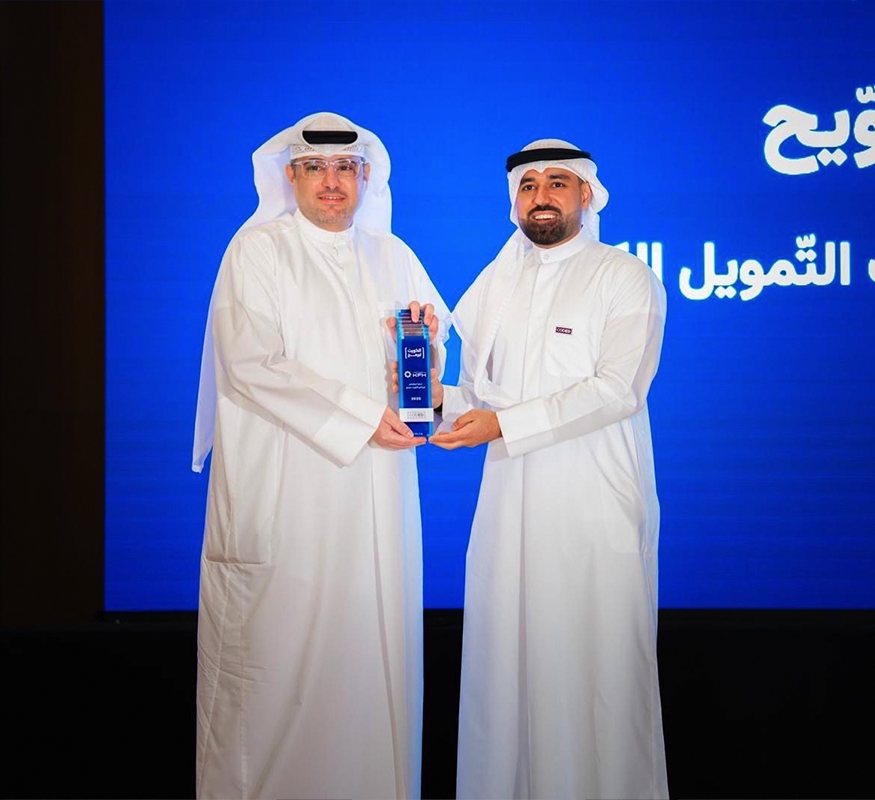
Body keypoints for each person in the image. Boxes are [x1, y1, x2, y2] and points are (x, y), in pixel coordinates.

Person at [191, 112, 448, 800]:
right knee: (275, 676)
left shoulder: (393, 256)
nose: (332, 182)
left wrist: (422, 364)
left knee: (371, 663)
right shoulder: (257, 251)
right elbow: (251, 364)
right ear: (291, 176)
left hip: (378, 497)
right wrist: (362, 418)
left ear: (365, 177)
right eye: (316, 169)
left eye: (345, 169)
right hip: (287, 498)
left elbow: (429, 360)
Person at [430, 140, 669, 799]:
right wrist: (429, 396)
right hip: (508, 507)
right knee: (505, 673)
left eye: (557, 183)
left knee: (597, 675)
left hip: (592, 505)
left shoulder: (624, 276)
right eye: (528, 185)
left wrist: (503, 425)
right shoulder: (495, 284)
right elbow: (479, 396)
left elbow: (618, 390)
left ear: (586, 194)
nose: (541, 196)